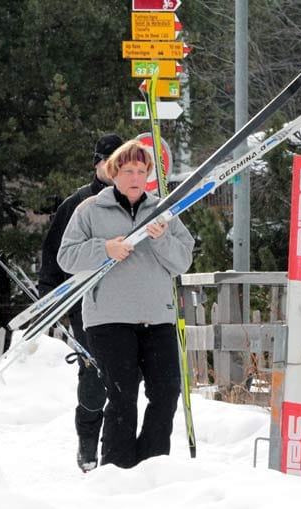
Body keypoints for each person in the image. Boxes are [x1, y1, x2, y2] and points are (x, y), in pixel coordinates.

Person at [57, 140, 194, 469]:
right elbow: (67, 257)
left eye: (141, 171)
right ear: (113, 173)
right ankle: (117, 471)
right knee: (122, 397)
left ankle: (150, 466)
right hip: (109, 319)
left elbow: (182, 261)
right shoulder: (89, 210)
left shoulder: (163, 212)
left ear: (149, 174)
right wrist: (104, 249)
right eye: (128, 171)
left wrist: (161, 239)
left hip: (157, 318)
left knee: (166, 393)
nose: (135, 177)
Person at [38, 133, 124, 473]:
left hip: (125, 303)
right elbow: (52, 254)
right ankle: (88, 444)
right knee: (95, 377)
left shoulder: (133, 200)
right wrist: (49, 297)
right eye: (109, 162)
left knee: (122, 380)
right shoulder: (77, 204)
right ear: (98, 163)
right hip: (84, 304)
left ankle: (114, 451)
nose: (116, 169)